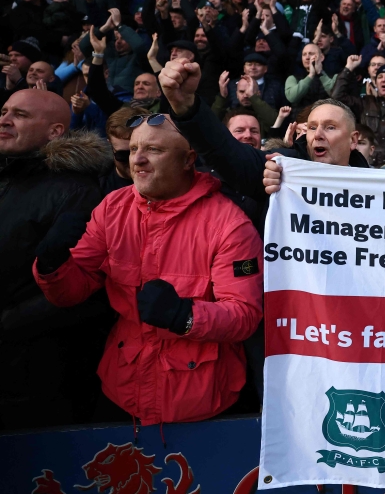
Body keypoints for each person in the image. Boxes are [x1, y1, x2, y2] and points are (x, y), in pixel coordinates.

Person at [33, 113, 263, 424]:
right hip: (122, 388)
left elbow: (245, 314)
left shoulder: (229, 224)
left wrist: (186, 316)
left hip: (201, 398)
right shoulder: (112, 207)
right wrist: (52, 266)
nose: (138, 159)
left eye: (154, 150)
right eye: (133, 149)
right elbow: (73, 290)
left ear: (187, 160)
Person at [0, 89, 113, 429]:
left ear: (55, 132)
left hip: (34, 377)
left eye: (20, 114)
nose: (4, 119)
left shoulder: (78, 192)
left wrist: (6, 323)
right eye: (4, 111)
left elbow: (86, 288)